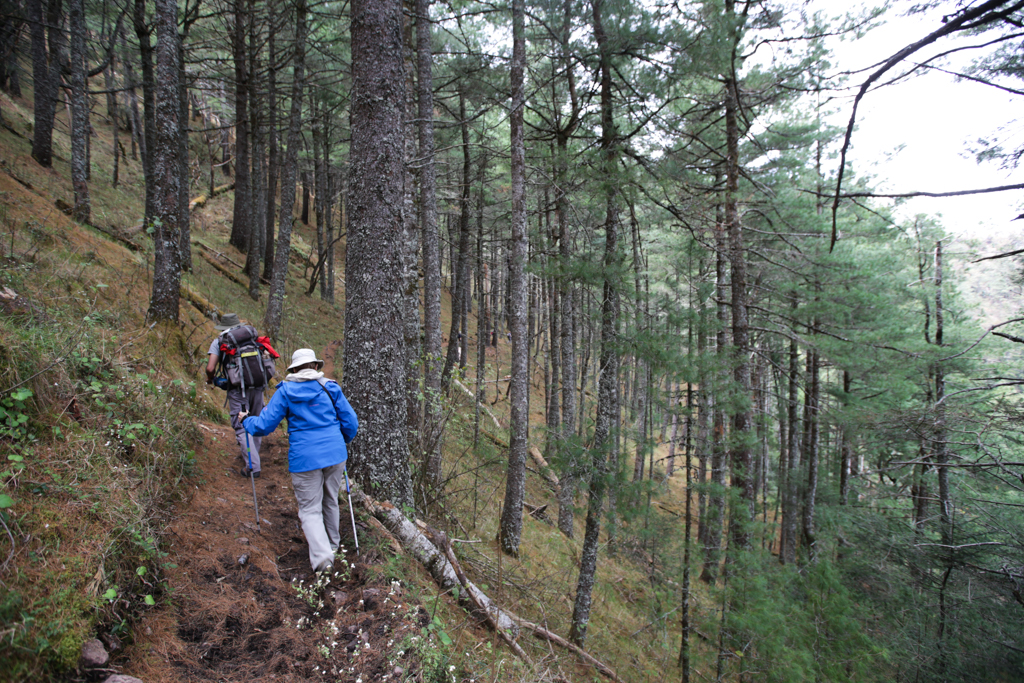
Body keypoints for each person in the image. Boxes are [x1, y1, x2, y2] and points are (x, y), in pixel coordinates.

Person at [239, 348, 358, 574]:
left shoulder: (285, 393)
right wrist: (340, 441)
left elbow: (264, 426)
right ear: (315, 366)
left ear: (293, 370)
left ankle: (323, 559)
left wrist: (246, 422)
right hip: (335, 454)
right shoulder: (330, 387)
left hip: (305, 458)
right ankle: (333, 546)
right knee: (331, 499)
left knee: (310, 509)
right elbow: (351, 422)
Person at [205, 313, 276, 478]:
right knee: (256, 421)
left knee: (241, 425)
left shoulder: (220, 341)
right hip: (258, 386)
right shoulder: (251, 337)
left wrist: (211, 379)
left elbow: (210, 368)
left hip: (238, 390)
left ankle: (252, 466)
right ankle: (253, 455)